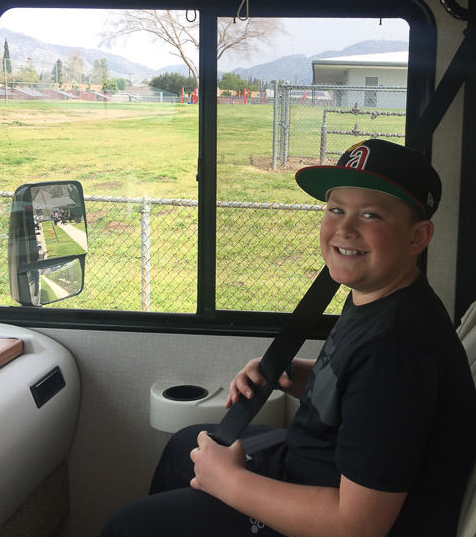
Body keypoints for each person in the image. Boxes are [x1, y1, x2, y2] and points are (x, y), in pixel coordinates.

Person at [100, 138, 476, 536]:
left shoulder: (397, 350)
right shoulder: (380, 297)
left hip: (337, 511)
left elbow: (357, 525)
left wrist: (228, 481)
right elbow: (358, 387)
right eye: (335, 209)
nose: (345, 228)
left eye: (370, 215)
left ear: (417, 237)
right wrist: (292, 373)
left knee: (128, 526)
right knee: (185, 446)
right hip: (314, 467)